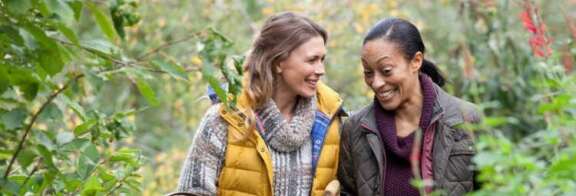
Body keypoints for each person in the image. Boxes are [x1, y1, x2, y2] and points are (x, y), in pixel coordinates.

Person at [174, 12, 345, 196]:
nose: (321, 70)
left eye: (322, 60)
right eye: (312, 60)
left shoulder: (329, 121)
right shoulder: (224, 119)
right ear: (279, 62)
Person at [338, 18, 481, 196]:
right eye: (368, 73)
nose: (376, 83)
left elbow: (494, 188)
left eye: (386, 71)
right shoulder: (355, 129)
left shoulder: (467, 118)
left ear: (416, 61)